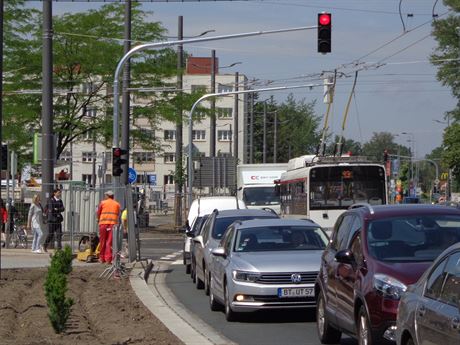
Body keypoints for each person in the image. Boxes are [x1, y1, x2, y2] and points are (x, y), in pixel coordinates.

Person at [97, 191, 121, 264]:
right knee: (109, 242)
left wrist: (98, 219)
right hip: (112, 225)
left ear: (107, 196)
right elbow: (118, 215)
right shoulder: (117, 204)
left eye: (105, 195)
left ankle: (102, 258)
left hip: (103, 224)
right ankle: (108, 259)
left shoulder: (103, 203)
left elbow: (98, 213)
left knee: (102, 241)